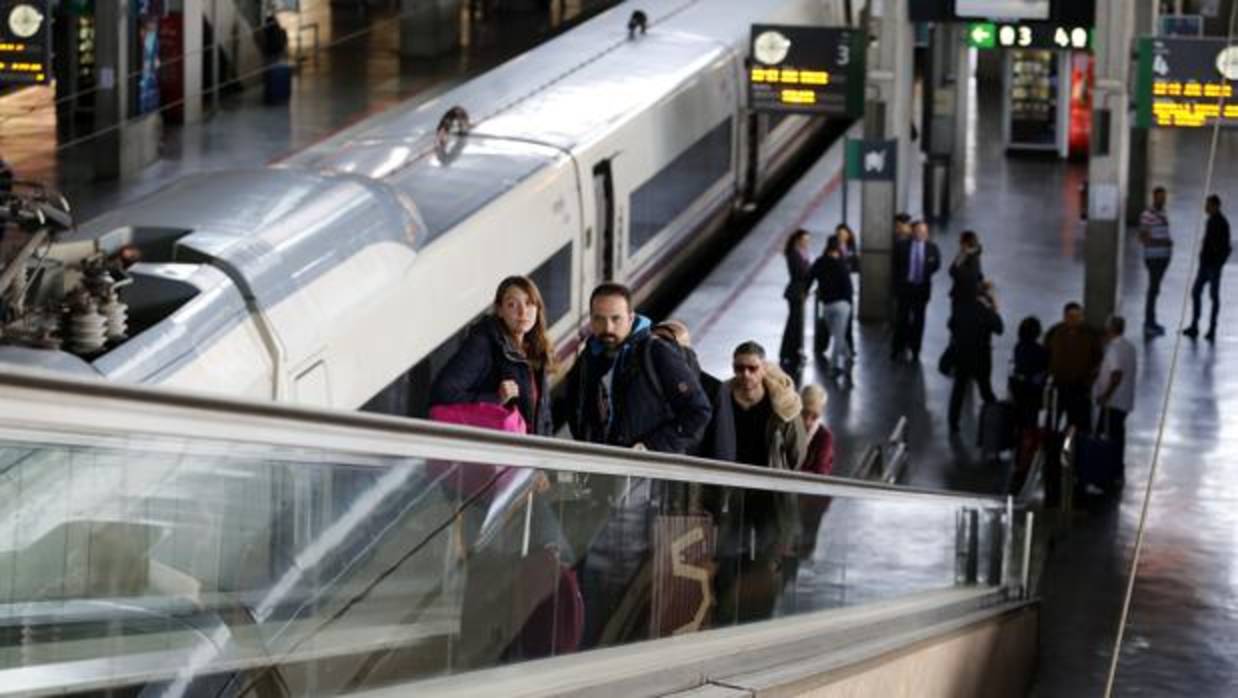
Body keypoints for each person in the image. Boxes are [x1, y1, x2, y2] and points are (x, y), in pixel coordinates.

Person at [706, 341, 806, 624]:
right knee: (725, 561)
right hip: (729, 496)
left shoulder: (782, 406)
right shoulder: (721, 398)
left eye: (753, 368)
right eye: (740, 368)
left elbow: (797, 454)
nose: (746, 375)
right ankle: (723, 623)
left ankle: (757, 621)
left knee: (765, 561)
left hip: (768, 498)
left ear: (764, 369)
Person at [564, 283, 712, 452]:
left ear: (631, 318)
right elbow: (575, 408)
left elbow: (699, 412)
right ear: (591, 319)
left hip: (648, 470)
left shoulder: (657, 353)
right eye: (599, 319)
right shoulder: (587, 359)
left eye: (616, 318)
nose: (608, 328)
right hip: (603, 468)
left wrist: (650, 447)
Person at [430, 275, 555, 435]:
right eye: (512, 305)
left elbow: (544, 417)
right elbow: (442, 393)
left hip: (528, 454)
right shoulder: (484, 343)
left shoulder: (536, 350)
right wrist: (495, 398)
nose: (523, 311)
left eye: (529, 303)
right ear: (500, 310)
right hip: (496, 451)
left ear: (538, 309)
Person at [947, 281, 1004, 435]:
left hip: (962, 354)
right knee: (986, 390)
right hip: (981, 357)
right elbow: (999, 329)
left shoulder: (961, 308)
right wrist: (994, 309)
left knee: (958, 389)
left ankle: (953, 423)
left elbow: (951, 325)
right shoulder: (986, 311)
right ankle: (994, 423)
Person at [1045, 302, 1103, 433]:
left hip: (1079, 387)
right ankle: (1052, 447)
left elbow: (1098, 359)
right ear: (1064, 317)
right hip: (1059, 385)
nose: (1074, 320)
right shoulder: (1054, 333)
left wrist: (1089, 381)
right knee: (1052, 421)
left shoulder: (1090, 335)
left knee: (1080, 424)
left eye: (1077, 317)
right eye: (1070, 316)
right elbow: (1046, 355)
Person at [1094, 315, 1136, 487]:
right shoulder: (1129, 347)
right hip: (1124, 400)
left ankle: (1105, 473)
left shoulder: (1113, 349)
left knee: (1106, 437)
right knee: (1118, 436)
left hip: (1113, 402)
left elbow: (1116, 374)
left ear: (1110, 329)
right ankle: (1117, 471)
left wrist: (1105, 395)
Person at [891, 220, 941, 363]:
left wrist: (927, 270)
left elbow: (937, 263)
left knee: (919, 322)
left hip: (921, 290)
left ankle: (915, 350)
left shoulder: (932, 248)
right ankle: (897, 348)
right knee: (902, 320)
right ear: (913, 232)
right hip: (905, 289)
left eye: (924, 232)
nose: (921, 234)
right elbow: (895, 267)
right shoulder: (902, 246)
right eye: (919, 231)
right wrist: (896, 287)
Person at [1183, 195, 1232, 342]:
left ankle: (1211, 328)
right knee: (1196, 292)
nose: (1206, 207)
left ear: (1215, 206)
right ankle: (1195, 325)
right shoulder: (1211, 221)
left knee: (1213, 297)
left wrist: (1218, 263)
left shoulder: (1222, 223)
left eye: (1208, 205)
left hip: (1212, 267)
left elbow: (1226, 248)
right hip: (1205, 265)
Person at [810, 235, 854, 378]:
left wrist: (805, 291)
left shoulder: (819, 262)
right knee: (838, 335)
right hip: (842, 304)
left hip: (827, 305)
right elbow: (849, 287)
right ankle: (841, 360)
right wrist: (849, 304)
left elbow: (809, 277)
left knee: (837, 334)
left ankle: (840, 362)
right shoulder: (842, 264)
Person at [1139, 186, 1173, 337]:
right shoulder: (1147, 215)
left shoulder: (1163, 213)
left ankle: (1152, 321)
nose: (1162, 200)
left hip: (1163, 257)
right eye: (1160, 197)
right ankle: (1149, 323)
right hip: (1153, 257)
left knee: (1155, 289)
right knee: (1152, 291)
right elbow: (1143, 237)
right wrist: (1163, 243)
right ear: (1154, 197)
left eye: (1164, 197)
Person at [779, 229, 813, 374]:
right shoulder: (794, 254)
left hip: (799, 292)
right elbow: (801, 273)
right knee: (795, 323)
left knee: (795, 323)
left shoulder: (801, 253)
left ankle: (791, 352)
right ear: (798, 239)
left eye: (808, 240)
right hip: (796, 292)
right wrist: (811, 270)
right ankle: (791, 353)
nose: (806, 242)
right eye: (804, 240)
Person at [1009, 316, 1050, 429]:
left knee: (1019, 419)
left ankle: (1018, 441)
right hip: (1033, 390)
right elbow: (1045, 368)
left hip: (1018, 388)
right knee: (1031, 420)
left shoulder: (1018, 347)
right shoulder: (1040, 350)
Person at [835, 223, 860, 351]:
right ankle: (839, 346)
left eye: (844, 234)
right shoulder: (833, 249)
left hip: (848, 288)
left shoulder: (852, 249)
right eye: (839, 235)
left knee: (848, 318)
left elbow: (857, 267)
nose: (842, 237)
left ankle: (849, 345)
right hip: (836, 289)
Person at [949, 230, 984, 309]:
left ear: (966, 243)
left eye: (960, 241)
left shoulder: (967, 256)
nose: (959, 243)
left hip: (964, 297)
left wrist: (962, 255)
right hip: (968, 295)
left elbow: (953, 271)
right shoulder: (973, 255)